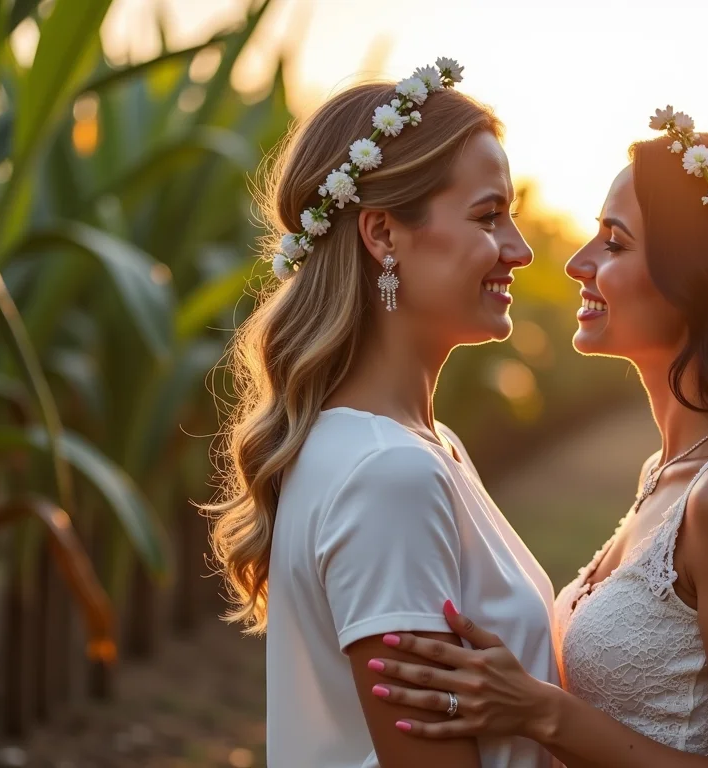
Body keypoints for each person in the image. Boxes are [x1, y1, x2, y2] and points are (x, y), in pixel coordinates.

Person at [364, 108, 708, 767]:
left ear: (700, 278)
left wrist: (544, 713)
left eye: (615, 244)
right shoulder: (666, 472)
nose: (577, 263)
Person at [207, 60, 560, 768]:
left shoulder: (416, 446)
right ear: (382, 234)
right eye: (488, 216)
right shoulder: (388, 473)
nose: (519, 250)